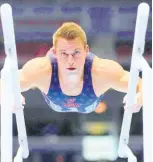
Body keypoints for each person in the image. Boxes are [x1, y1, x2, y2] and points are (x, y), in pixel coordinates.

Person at [0, 22, 143, 113]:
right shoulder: (42, 70)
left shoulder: (101, 71)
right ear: (54, 53)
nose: (70, 60)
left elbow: (143, 84)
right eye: (64, 53)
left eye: (76, 52)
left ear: (87, 50)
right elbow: (3, 83)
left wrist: (139, 97)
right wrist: (8, 96)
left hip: (88, 96)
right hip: (59, 94)